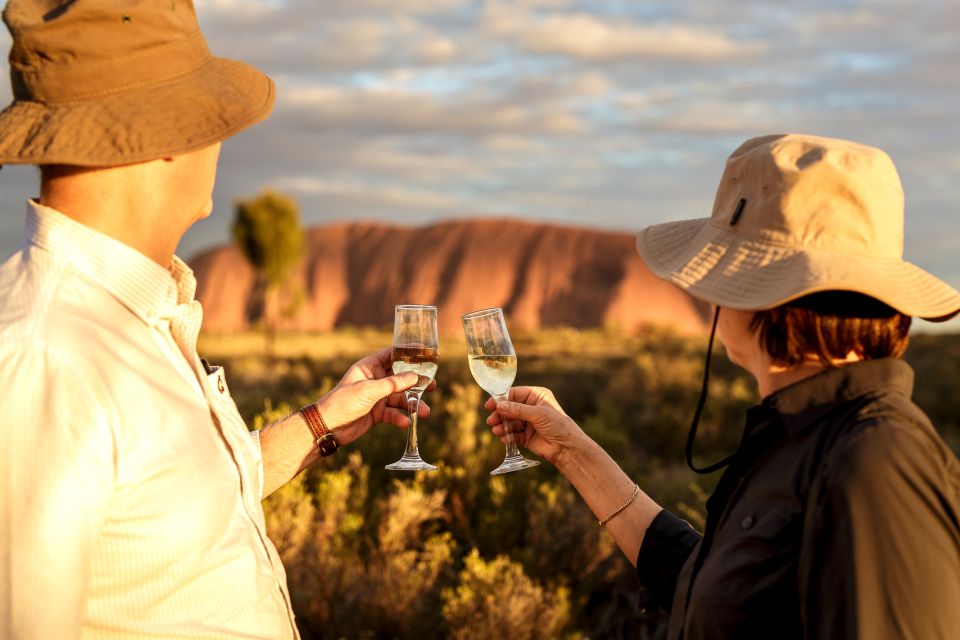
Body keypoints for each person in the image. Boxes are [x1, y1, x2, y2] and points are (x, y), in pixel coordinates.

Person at [0, 2, 430, 638]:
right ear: (165, 134)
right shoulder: (45, 356)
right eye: (209, 116)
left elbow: (175, 507)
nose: (219, 142)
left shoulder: (133, 313)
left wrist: (321, 423)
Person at [486, 134, 960, 638]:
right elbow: (713, 590)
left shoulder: (876, 460)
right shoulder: (804, 433)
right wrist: (572, 451)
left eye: (723, 268)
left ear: (766, 295)